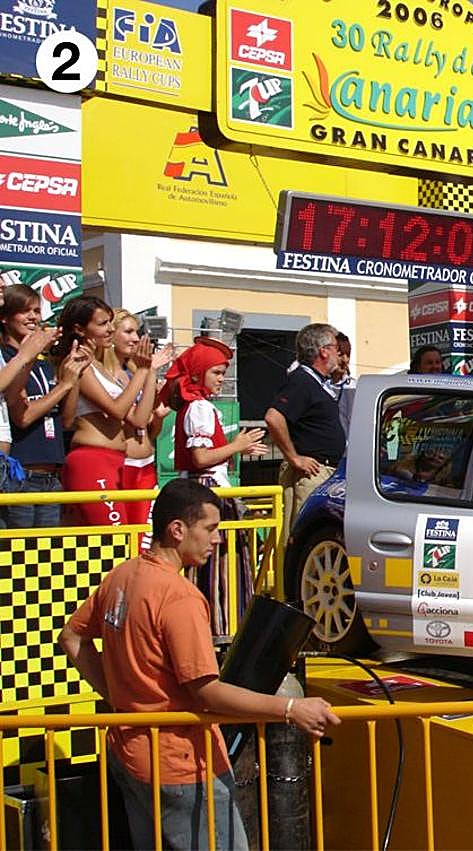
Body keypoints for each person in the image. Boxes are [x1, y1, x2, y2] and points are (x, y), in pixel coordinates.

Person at [58, 477, 340, 851]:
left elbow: (72, 638)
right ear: (177, 530)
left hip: (130, 752)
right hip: (182, 765)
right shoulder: (179, 598)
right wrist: (291, 709)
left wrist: (120, 699)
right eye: (210, 529)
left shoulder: (122, 576)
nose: (217, 539)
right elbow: (207, 692)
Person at [161, 337, 267, 634]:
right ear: (198, 373)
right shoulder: (199, 408)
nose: (221, 379)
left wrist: (239, 449)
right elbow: (200, 457)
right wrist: (237, 445)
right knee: (221, 568)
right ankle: (220, 631)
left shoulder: (196, 406)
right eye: (216, 373)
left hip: (202, 490)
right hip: (207, 495)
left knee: (219, 566)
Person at [56, 297, 158, 528]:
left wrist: (149, 372)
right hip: (92, 459)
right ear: (80, 329)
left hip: (118, 460)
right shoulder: (77, 363)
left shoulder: (99, 365)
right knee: (114, 540)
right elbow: (116, 411)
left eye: (111, 322)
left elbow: (138, 419)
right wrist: (142, 371)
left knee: (127, 540)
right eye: (102, 324)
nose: (110, 329)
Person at [0, 284, 88, 528]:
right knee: (18, 557)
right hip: (21, 475)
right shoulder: (8, 359)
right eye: (25, 310)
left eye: (37, 311)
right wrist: (62, 386)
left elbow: (66, 420)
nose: (33, 317)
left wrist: (73, 375)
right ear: (5, 318)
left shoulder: (43, 364)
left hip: (51, 476)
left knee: (45, 559)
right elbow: (23, 417)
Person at [264, 323, 346, 537]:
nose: (340, 353)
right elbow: (274, 417)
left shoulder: (317, 383)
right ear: (323, 350)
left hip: (323, 472)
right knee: (303, 536)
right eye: (336, 347)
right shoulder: (302, 381)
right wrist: (295, 458)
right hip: (310, 475)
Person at [113, 310, 174, 544]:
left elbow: (149, 430)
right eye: (128, 332)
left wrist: (158, 418)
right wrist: (148, 370)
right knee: (123, 539)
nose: (137, 339)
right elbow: (132, 420)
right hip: (122, 463)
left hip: (146, 464)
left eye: (137, 332)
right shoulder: (108, 373)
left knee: (145, 537)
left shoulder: (133, 370)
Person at [332, 332, 355, 437]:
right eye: (341, 355)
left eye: (348, 355)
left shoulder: (353, 386)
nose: (345, 360)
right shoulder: (319, 386)